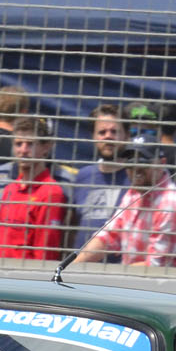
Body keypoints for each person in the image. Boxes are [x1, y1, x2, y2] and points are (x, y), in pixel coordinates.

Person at [68, 136, 176, 269]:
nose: (136, 168)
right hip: (135, 282)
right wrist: (75, 266)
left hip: (162, 286)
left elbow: (154, 266)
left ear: (161, 163)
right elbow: (109, 235)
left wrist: (108, 276)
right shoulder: (134, 193)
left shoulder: (170, 204)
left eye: (142, 162)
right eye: (130, 162)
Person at [0, 116, 67, 260]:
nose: (23, 150)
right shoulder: (10, 189)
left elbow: (45, 255)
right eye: (18, 144)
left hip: (25, 279)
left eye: (30, 144)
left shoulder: (51, 194)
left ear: (46, 147)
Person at [65, 103, 130, 254]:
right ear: (93, 137)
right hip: (79, 269)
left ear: (127, 136)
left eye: (114, 131)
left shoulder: (136, 177)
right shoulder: (83, 176)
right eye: (102, 132)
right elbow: (72, 227)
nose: (108, 136)